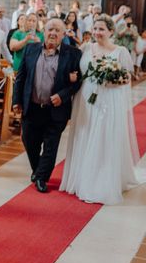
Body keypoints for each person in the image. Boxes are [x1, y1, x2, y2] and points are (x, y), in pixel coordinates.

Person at [60, 15, 144, 203]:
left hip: (108, 100)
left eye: (101, 29)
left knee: (102, 137)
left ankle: (99, 181)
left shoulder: (120, 51)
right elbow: (74, 66)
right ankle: (80, 178)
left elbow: (127, 78)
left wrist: (114, 81)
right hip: (85, 99)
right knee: (85, 134)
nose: (97, 32)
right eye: (95, 28)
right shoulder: (86, 48)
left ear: (111, 32)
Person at [12, 18, 82, 193]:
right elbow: (20, 78)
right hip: (32, 106)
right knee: (29, 140)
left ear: (63, 34)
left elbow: (78, 81)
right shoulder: (31, 49)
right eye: (50, 29)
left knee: (50, 146)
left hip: (56, 109)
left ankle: (42, 177)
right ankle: (37, 170)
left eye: (58, 30)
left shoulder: (73, 54)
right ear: (44, 31)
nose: (53, 33)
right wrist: (16, 101)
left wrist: (63, 95)